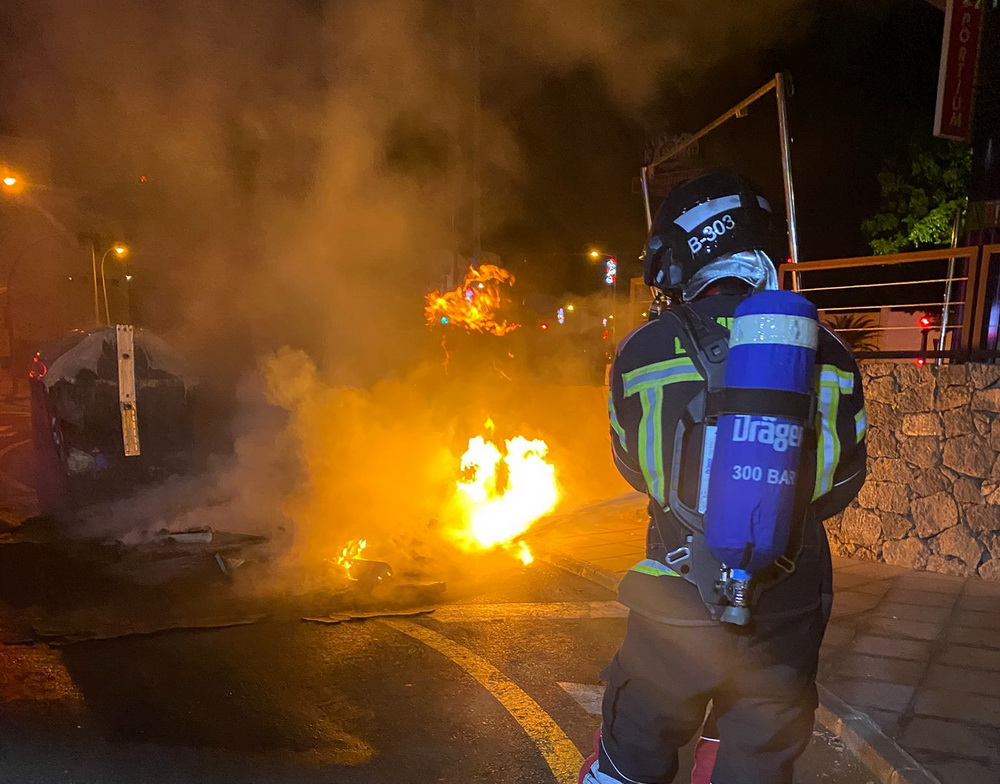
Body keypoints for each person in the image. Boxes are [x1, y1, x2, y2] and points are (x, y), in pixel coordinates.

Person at [580, 169, 867, 784]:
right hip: (788, 608)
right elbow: (843, 484)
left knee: (632, 757)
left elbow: (632, 468)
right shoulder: (831, 354)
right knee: (757, 764)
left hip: (677, 600)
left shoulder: (642, 350)